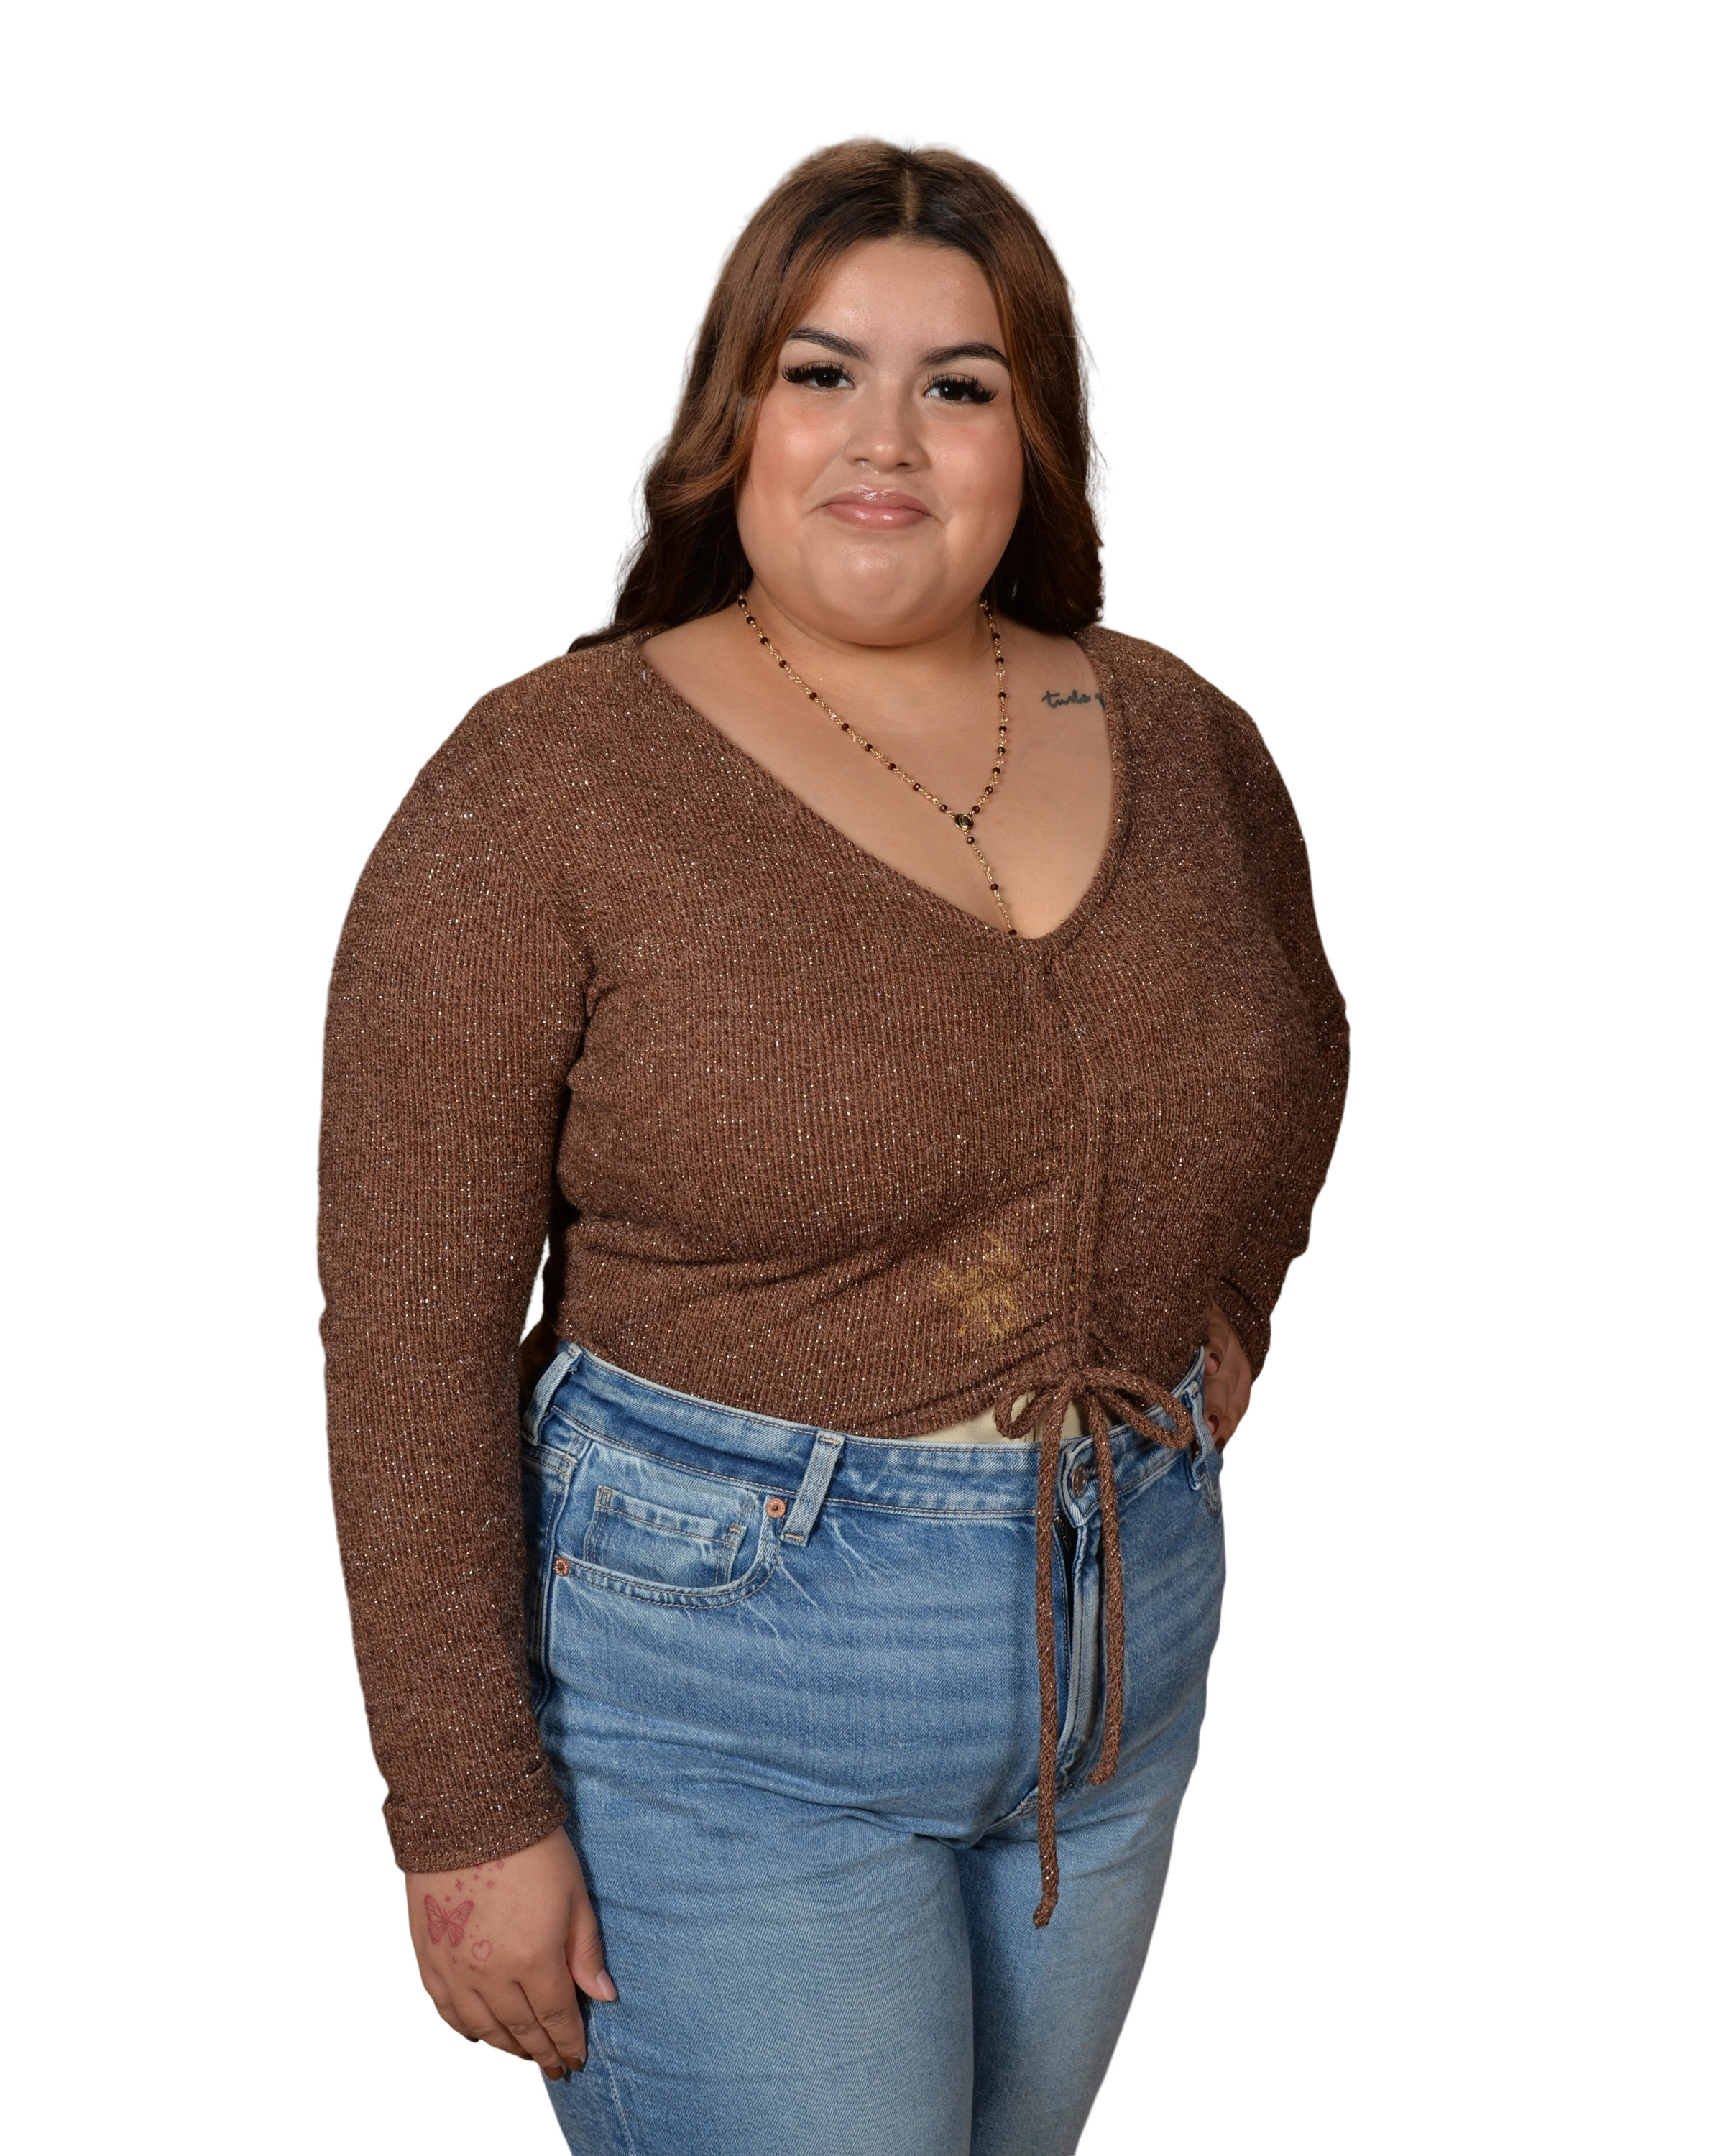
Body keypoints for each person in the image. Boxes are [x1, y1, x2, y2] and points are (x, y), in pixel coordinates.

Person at [315, 125, 1351, 2156]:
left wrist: (1226, 1313)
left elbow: (1296, 1046)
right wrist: (463, 1811)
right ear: (732, 416)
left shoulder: (1179, 729)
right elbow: (409, 1331)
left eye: (959, 384)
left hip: (1118, 1651)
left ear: (1036, 438)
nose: (887, 438)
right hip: (718, 1678)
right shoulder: (542, 784)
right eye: (822, 371)